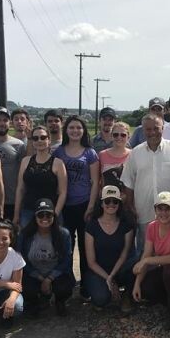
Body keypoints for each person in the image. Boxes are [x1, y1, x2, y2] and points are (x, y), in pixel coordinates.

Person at [120, 113, 170, 255]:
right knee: (145, 253)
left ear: (163, 128)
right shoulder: (136, 153)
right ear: (143, 130)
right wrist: (130, 206)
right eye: (148, 129)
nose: (152, 133)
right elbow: (129, 182)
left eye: (156, 128)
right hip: (143, 213)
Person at [131, 191, 170, 329]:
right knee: (145, 285)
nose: (163, 213)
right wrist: (137, 283)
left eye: (167, 208)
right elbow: (146, 254)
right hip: (164, 268)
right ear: (155, 210)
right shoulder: (152, 226)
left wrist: (146, 261)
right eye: (160, 208)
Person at [53, 115, 100, 285]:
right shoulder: (59, 151)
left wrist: (91, 205)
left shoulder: (90, 153)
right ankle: (67, 281)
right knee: (66, 246)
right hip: (65, 205)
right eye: (71, 127)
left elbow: (95, 182)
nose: (75, 131)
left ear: (84, 131)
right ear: (66, 130)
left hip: (84, 204)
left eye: (79, 128)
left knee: (85, 246)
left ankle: (86, 285)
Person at [19, 199, 75, 316]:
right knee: (27, 289)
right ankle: (34, 302)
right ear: (35, 216)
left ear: (54, 216)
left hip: (55, 274)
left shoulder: (63, 234)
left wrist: (49, 278)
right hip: (33, 273)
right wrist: (39, 276)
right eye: (41, 214)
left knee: (64, 288)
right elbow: (20, 259)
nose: (45, 218)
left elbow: (66, 260)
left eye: (48, 214)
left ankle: (60, 301)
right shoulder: (25, 234)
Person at [84, 186, 135, 310]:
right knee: (101, 299)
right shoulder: (92, 226)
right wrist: (108, 278)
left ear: (119, 204)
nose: (111, 204)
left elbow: (125, 253)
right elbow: (91, 262)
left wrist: (111, 276)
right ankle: (106, 289)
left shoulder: (126, 224)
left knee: (134, 263)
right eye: (107, 201)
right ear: (101, 204)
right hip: (99, 270)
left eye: (115, 201)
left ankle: (126, 296)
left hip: (119, 268)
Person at [13, 124, 67, 230]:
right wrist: (16, 214)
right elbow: (20, 189)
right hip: (28, 211)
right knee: (27, 244)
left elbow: (62, 192)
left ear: (49, 140)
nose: (39, 141)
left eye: (43, 137)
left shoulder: (58, 163)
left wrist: (55, 214)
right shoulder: (25, 161)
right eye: (35, 138)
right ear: (32, 141)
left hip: (50, 212)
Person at [0, 107, 25, 223]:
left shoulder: (18, 145)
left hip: (12, 200)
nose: (2, 123)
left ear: (10, 123)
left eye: (5, 120)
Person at [98, 121, 132, 192]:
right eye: (116, 135)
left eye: (123, 135)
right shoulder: (102, 155)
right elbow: (99, 180)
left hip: (128, 199)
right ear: (111, 136)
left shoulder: (133, 155)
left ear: (128, 137)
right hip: (107, 200)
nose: (119, 137)